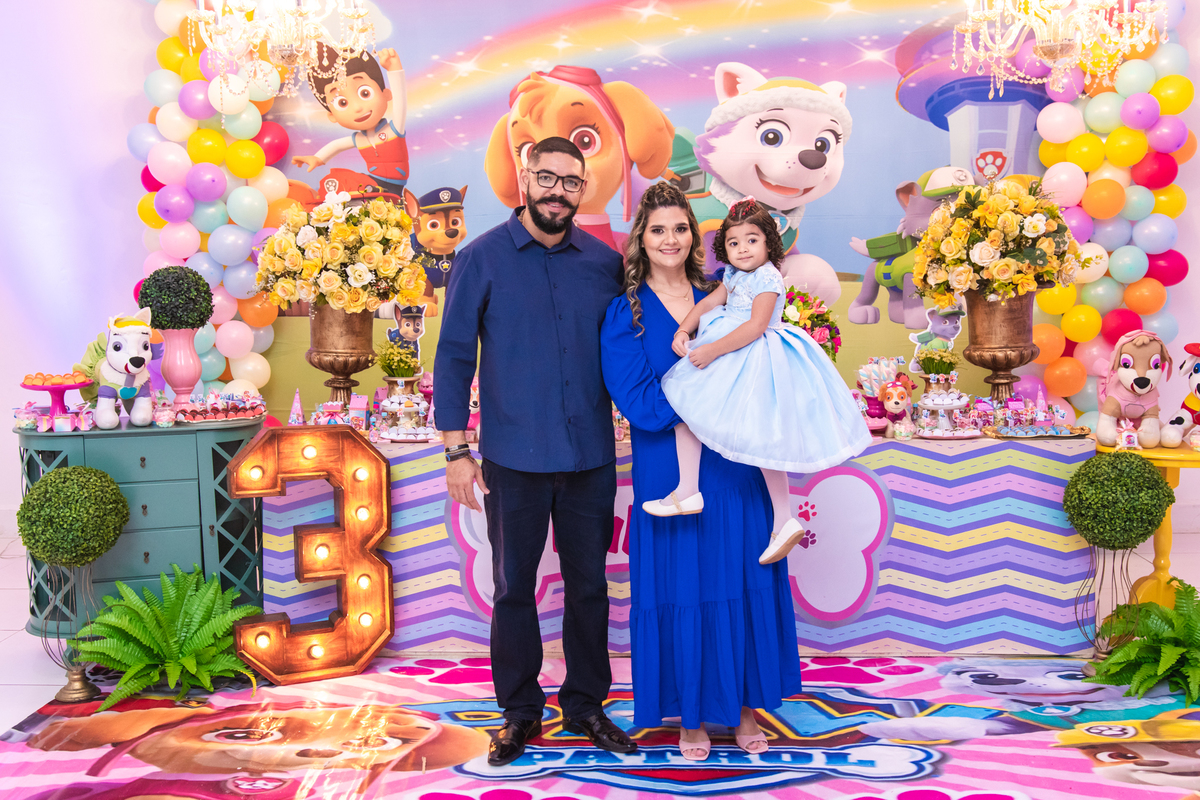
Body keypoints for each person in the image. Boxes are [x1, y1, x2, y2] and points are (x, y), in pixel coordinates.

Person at [433, 137, 635, 767]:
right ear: (525, 178)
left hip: (589, 458)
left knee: (589, 587)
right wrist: (456, 452)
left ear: (584, 189)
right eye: (546, 178)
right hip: (511, 459)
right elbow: (453, 355)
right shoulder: (480, 257)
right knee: (514, 588)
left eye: (570, 182)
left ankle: (585, 705)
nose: (557, 191)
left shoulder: (604, 264)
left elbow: (633, 343)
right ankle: (520, 712)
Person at [599, 182, 805, 761]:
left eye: (680, 228)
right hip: (670, 469)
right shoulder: (625, 313)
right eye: (658, 229)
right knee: (682, 585)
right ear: (641, 238)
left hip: (735, 463)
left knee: (738, 581)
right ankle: (690, 713)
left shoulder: (728, 294)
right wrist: (713, 401)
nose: (670, 239)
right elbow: (638, 400)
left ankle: (742, 708)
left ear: (695, 236)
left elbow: (762, 364)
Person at [648, 197, 870, 564]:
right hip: (732, 352)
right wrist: (683, 329)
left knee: (765, 438)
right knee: (686, 408)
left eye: (751, 240)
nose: (743, 249)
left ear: (769, 242)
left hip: (755, 355)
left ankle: (783, 517)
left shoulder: (767, 277)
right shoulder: (733, 275)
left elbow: (755, 326)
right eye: (733, 243)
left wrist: (711, 350)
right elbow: (708, 304)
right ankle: (688, 490)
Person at [292, 44, 410, 195]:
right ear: (332, 115)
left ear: (386, 94)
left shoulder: (393, 130)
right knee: (342, 182)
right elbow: (336, 146)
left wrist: (394, 70)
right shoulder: (359, 139)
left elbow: (401, 103)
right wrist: (317, 158)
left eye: (365, 93)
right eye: (342, 103)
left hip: (395, 186)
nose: (357, 108)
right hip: (373, 183)